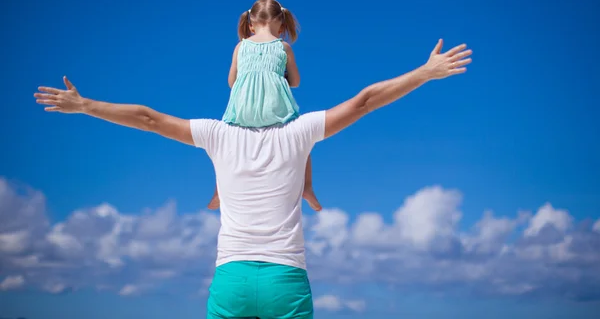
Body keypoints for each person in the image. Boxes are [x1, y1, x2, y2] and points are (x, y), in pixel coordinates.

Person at [34, 39, 472, 319]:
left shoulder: (216, 134)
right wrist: (424, 72)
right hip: (286, 280)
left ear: (237, 82)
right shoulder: (299, 131)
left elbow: (148, 118)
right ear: (282, 84)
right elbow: (364, 102)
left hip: (232, 281)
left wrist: (85, 105)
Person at [208, 0, 321, 212]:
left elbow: (231, 83)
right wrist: (279, 76)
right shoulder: (284, 47)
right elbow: (296, 82)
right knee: (304, 142)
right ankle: (306, 187)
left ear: (250, 24)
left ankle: (218, 190)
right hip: (276, 110)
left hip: (243, 111)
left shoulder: (241, 47)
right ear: (281, 23)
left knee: (224, 146)